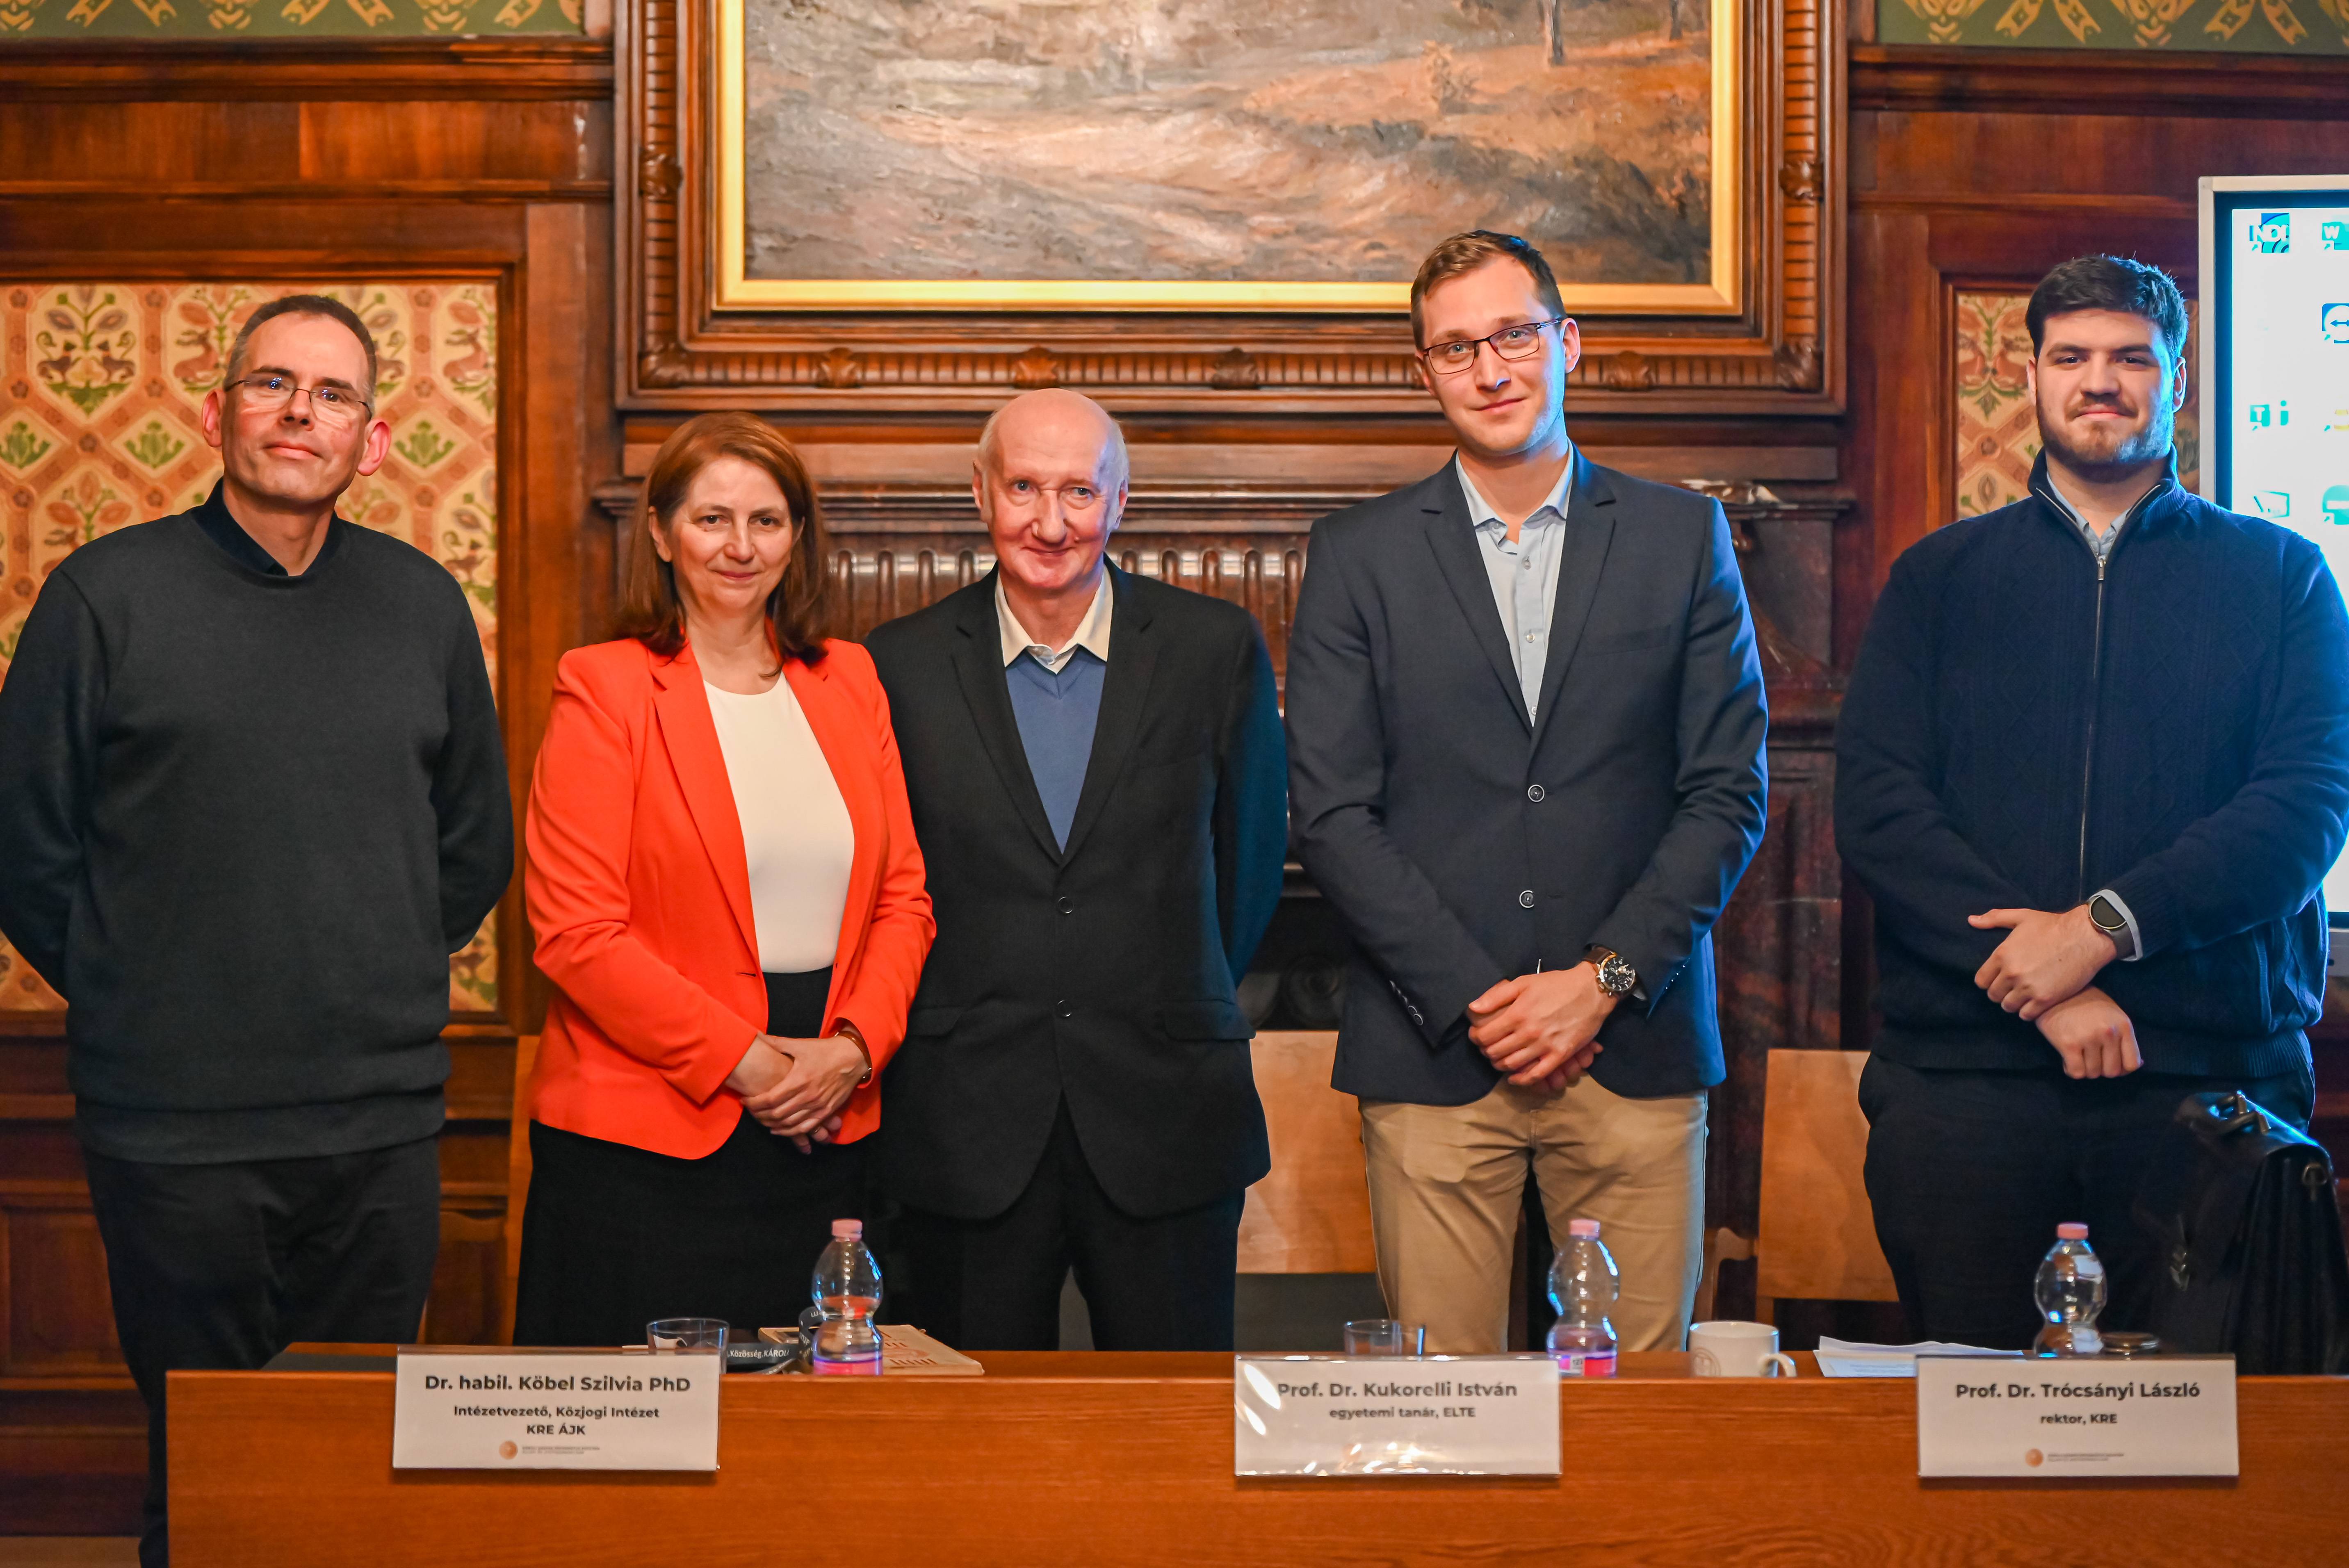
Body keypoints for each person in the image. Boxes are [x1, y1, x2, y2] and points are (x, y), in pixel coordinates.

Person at [0, 294, 512, 1566]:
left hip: (378, 1127)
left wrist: (370, 969)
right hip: (175, 1129)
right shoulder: (103, 597)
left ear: (373, 441)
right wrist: (143, 987)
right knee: (210, 1477)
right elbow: (28, 847)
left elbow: (471, 846)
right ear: (216, 411)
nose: (300, 413)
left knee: (351, 1477)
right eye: (273, 384)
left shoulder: (423, 606)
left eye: (333, 395)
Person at [1836, 255, 2349, 1348]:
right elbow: (1880, 808)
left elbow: (2303, 807)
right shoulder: (1936, 578)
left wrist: (2100, 931)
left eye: (2131, 358)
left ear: (2179, 383)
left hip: (2206, 1080)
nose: (2099, 380)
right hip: (1966, 1083)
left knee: (2201, 1431)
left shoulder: (2283, 575)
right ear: (2029, 378)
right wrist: (2043, 984)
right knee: (1972, 1416)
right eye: (2070, 356)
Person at [1285, 231, 1769, 1356]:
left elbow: (1725, 792)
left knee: (1636, 1418)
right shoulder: (1357, 555)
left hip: (1632, 1044)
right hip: (1435, 1052)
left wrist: (1600, 984)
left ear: (1568, 344)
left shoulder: (1681, 536)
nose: (1490, 369)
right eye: (1457, 348)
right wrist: (1481, 1001)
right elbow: (1333, 813)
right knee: (1442, 1415)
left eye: (1514, 335)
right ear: (1425, 373)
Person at [865, 389, 1287, 1351]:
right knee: (972, 1426)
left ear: (1120, 500)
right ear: (980, 492)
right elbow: (888, 882)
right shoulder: (898, 664)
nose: (1049, 524)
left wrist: (1161, 987)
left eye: (1078, 492)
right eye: (1023, 488)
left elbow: (1252, 862)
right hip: (964, 1125)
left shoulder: (1211, 648)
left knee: (1174, 1423)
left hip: (1167, 1111)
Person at [516, 413, 933, 1348]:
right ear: (662, 534)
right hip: (646, 1143)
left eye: (766, 520)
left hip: (828, 1129)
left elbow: (904, 898)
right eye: (712, 519)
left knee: (814, 1425)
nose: (740, 546)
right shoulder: (606, 686)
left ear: (796, 538)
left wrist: (851, 1052)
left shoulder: (850, 680)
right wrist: (761, 1069)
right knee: (641, 1429)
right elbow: (578, 934)